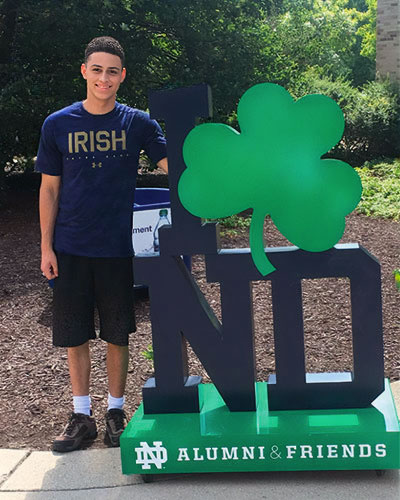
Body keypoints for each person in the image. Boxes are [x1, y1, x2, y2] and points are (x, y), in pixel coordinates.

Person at [35, 36, 168, 452]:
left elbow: (176, 166)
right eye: (97, 69)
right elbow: (49, 190)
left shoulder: (139, 124)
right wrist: (46, 247)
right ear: (84, 71)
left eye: (112, 71)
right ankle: (80, 417)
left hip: (115, 248)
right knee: (74, 334)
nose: (104, 78)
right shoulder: (58, 124)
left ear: (122, 76)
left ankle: (114, 412)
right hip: (70, 246)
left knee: (117, 333)